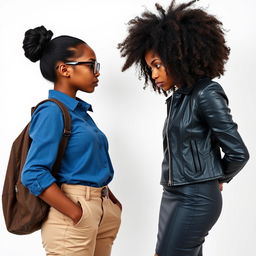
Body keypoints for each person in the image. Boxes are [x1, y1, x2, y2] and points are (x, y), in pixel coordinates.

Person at [118, 1, 249, 255]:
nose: (153, 74)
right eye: (149, 68)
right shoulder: (178, 99)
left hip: (197, 198)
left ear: (178, 55)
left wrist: (217, 177)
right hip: (172, 194)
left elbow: (239, 153)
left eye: (157, 64)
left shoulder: (207, 93)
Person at [21, 25, 121, 256]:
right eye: (91, 65)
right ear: (65, 69)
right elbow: (33, 173)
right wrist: (77, 213)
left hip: (101, 210)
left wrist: (111, 203)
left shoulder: (81, 114)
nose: (97, 72)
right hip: (73, 214)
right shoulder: (51, 112)